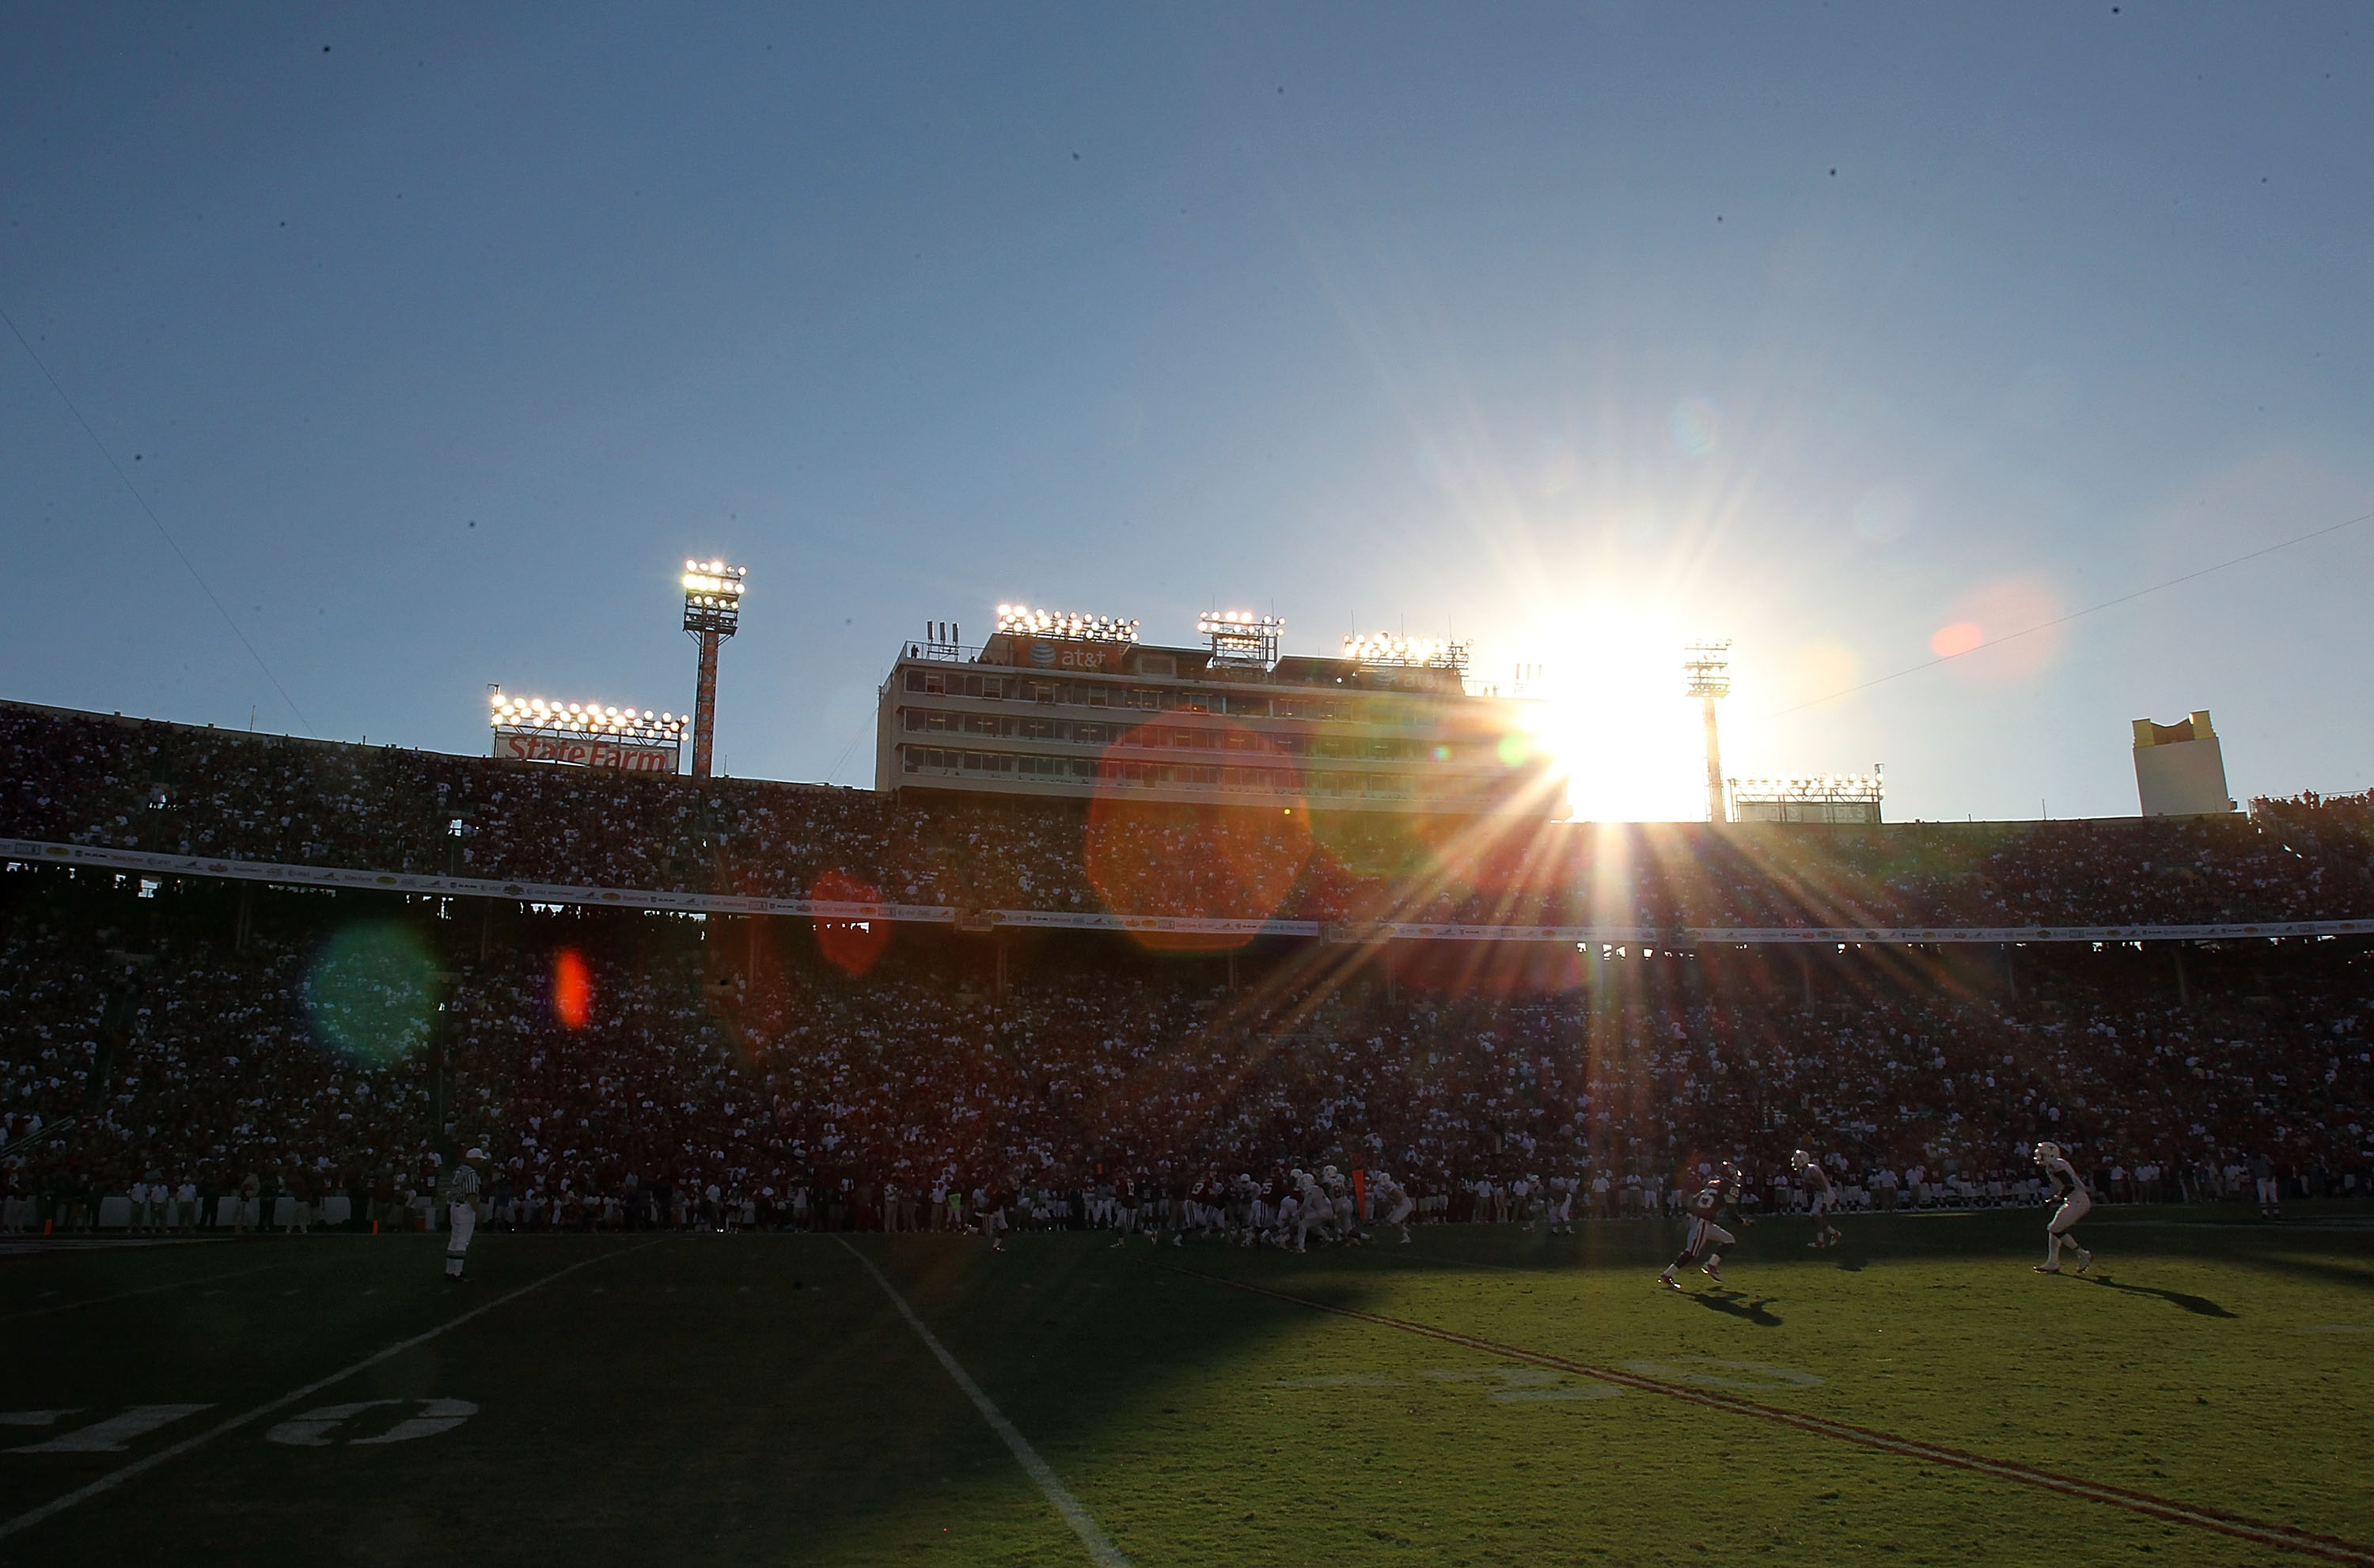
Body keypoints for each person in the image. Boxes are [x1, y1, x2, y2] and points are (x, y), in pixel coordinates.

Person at [1657, 1164, 1744, 1290]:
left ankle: (1711, 1265)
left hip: (1704, 1222)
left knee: (1729, 1240)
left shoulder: (1713, 1183)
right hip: (1702, 1222)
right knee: (1692, 1252)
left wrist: (1689, 1215)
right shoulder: (1729, 1187)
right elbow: (1732, 1214)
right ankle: (1666, 1275)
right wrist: (1743, 1222)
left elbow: (1695, 1199)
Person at [2031, 1141, 2093, 1274]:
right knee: (2054, 1228)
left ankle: (2082, 1254)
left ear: (2051, 1155)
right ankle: (2052, 1262)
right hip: (2075, 1200)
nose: (2039, 1157)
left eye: (2042, 1154)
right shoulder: (2059, 1163)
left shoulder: (2055, 1166)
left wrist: (2054, 1199)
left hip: (2077, 1201)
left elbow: (2069, 1186)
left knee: (2055, 1228)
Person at [445, 1148, 484, 1282]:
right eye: (479, 1159)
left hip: (454, 1206)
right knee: (463, 1239)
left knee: (455, 1238)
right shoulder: (470, 1173)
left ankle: (450, 1270)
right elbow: (471, 1194)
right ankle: (457, 1272)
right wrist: (478, 1211)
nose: (480, 1163)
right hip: (464, 1207)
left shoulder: (458, 1170)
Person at [1792, 1149, 1845, 1250]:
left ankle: (1822, 1241)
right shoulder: (1803, 1170)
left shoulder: (1812, 1170)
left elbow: (1821, 1184)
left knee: (1815, 1216)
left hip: (1824, 1193)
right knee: (1814, 1217)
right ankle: (1834, 1234)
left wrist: (1825, 1200)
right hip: (1819, 1194)